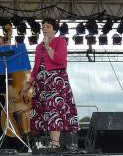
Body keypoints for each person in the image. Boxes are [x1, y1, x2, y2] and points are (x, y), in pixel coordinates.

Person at [21, 18, 79, 149]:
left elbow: (59, 60)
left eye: (47, 26)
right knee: (42, 112)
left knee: (55, 110)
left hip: (56, 80)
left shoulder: (60, 41)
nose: (44, 28)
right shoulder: (38, 47)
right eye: (43, 26)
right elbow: (36, 67)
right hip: (42, 82)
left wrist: (48, 46)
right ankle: (45, 143)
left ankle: (55, 143)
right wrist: (29, 83)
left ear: (54, 29)